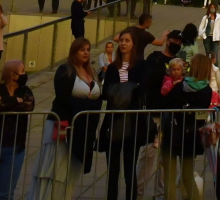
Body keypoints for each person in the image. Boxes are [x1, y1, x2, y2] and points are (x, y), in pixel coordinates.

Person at [31, 38, 102, 200]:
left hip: (84, 128)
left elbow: (99, 98)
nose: (86, 52)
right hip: (63, 122)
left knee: (72, 169)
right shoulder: (65, 70)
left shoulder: (92, 73)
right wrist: (87, 106)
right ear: (73, 52)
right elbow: (63, 97)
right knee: (56, 167)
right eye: (81, 49)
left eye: (88, 49)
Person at [101, 31, 148, 200]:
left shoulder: (140, 65)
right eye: (121, 40)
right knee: (112, 170)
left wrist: (121, 91)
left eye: (127, 40)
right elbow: (107, 92)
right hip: (114, 121)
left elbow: (141, 90)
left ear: (133, 44)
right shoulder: (113, 68)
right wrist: (129, 89)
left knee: (130, 169)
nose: (123, 43)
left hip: (132, 122)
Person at [161, 57, 215, 200]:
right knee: (188, 176)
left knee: (169, 178)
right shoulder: (207, 90)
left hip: (173, 132)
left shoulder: (181, 85)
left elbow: (166, 103)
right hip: (191, 135)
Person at [0, 59, 33, 200]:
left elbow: (28, 105)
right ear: (13, 75)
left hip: (14, 149)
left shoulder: (25, 91)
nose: (24, 74)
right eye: (22, 71)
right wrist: (16, 101)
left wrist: (5, 102)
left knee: (6, 193)